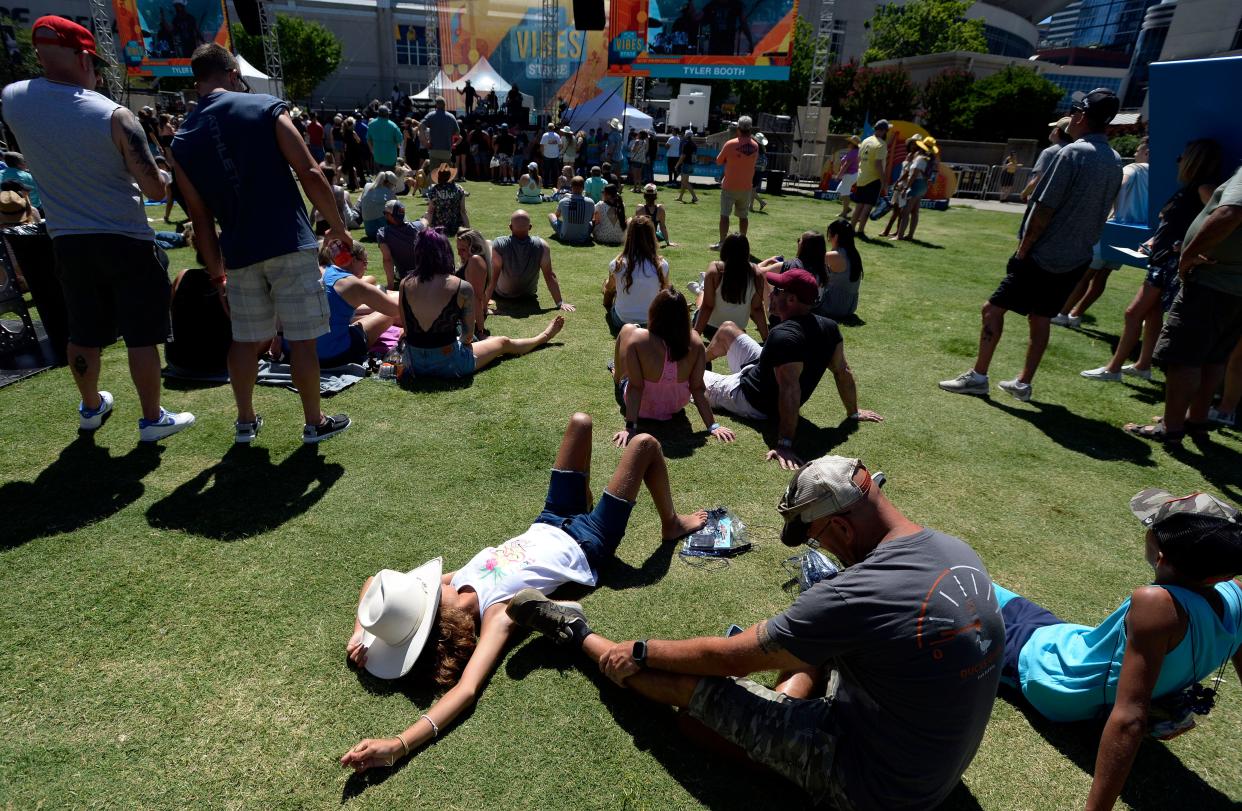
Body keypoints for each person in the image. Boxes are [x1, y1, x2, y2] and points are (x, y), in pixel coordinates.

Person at [507, 454, 1004, 811]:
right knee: (812, 648)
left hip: (875, 787)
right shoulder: (957, 551)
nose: (824, 551)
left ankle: (574, 633)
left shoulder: (855, 594)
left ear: (843, 529)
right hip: (933, 768)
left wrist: (642, 648)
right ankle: (782, 708)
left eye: (817, 538)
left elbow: (730, 659)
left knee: (699, 701)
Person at [339, 411, 707, 772]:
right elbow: (466, 691)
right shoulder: (498, 614)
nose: (425, 584)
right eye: (427, 596)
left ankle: (585, 499)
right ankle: (670, 523)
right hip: (589, 542)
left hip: (549, 518)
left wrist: (361, 633)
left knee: (580, 422)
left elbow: (374, 583)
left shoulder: (448, 586)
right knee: (644, 444)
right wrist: (399, 745)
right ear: (444, 617)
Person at [2, 15, 195, 441]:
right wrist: (162, 178)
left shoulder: (14, 99)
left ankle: (91, 407)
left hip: (68, 239)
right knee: (142, 335)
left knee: (82, 331)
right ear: (85, 57)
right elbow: (154, 189)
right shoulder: (113, 114)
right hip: (125, 237)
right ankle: (151, 419)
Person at [996, 487, 1242, 809]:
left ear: (1160, 556)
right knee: (1007, 603)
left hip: (1052, 676)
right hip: (1066, 643)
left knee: (968, 596)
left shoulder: (1158, 604)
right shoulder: (1236, 594)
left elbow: (1130, 717)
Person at [171, 43, 352, 445]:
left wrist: (217, 276)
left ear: (197, 82)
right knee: (302, 338)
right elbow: (308, 169)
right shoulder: (265, 107)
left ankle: (246, 420)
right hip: (288, 238)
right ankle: (314, 422)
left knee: (244, 340)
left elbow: (200, 219)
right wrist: (338, 226)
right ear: (233, 71)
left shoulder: (182, 139)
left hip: (238, 252)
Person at [939, 88, 1122, 403]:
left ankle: (978, 376)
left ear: (1079, 116)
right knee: (1041, 318)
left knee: (992, 309)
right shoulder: (1115, 160)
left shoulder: (1072, 153)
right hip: (1077, 257)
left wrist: (1022, 251)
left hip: (1043, 255)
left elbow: (1043, 209)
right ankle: (1023, 382)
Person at [704, 267, 882, 467]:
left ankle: (697, 367)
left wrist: (785, 443)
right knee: (728, 329)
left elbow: (790, 389)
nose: (770, 294)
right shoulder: (829, 327)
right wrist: (853, 411)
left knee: (692, 377)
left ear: (791, 300)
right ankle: (701, 359)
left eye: (777, 291)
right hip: (759, 371)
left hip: (749, 398)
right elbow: (842, 371)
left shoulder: (783, 337)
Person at [1080, 139, 1220, 383]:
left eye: (1182, 157)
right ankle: (1143, 365)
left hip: (1170, 264)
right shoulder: (1188, 188)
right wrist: (1157, 240)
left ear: (1194, 161)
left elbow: (1220, 223)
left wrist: (1187, 246)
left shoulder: (1203, 189)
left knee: (1133, 313)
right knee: (1151, 314)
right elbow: (1175, 224)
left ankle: (1113, 369)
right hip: (1161, 259)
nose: (1177, 161)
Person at [1125, 163, 1242, 442]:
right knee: (1213, 357)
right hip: (1234, 287)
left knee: (1183, 357)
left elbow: (1231, 212)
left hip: (1212, 283)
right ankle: (1195, 420)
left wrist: (1188, 255)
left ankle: (1172, 426)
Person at [397, 229, 565, 379]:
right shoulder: (461, 287)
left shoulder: (405, 283)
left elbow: (407, 329)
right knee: (502, 342)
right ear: (445, 252)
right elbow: (468, 336)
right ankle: (543, 337)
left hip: (413, 363)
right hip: (449, 364)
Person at [612, 289, 735, 444]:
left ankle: (618, 377)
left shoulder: (638, 339)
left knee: (627, 329)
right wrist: (712, 425)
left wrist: (630, 427)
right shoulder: (696, 341)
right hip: (674, 406)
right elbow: (697, 388)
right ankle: (619, 376)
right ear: (684, 316)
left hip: (642, 406)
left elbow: (636, 388)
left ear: (654, 312)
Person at [1054, 136, 1151, 328]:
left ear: (1147, 152)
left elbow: (1119, 185)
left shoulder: (1132, 168)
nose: (1134, 153)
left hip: (1113, 227)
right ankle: (1076, 314)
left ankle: (1063, 314)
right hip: (1133, 233)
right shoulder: (1159, 176)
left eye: (1138, 150)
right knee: (1102, 276)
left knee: (1086, 274)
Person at [311, 241, 400, 368]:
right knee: (388, 315)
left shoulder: (317, 271)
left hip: (300, 352)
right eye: (364, 263)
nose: (366, 267)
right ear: (352, 260)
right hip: (333, 355)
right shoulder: (352, 284)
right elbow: (394, 310)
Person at [164, 227, 231, 377]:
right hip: (220, 363)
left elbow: (170, 313)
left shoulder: (182, 276)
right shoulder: (233, 283)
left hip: (177, 363)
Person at [487, 209, 574, 312]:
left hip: (504, 293)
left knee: (487, 243)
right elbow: (550, 275)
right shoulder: (542, 245)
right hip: (528, 294)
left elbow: (493, 277)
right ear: (530, 227)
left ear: (510, 227)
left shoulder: (499, 244)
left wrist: (483, 304)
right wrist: (560, 302)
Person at [692, 232, 767, 341]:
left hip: (710, 329)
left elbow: (707, 307)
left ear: (725, 249)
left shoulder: (715, 269)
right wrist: (766, 339)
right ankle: (701, 289)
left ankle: (701, 289)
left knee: (701, 302)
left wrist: (695, 336)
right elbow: (757, 309)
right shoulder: (757, 274)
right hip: (737, 332)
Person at [603, 215, 669, 336]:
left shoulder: (617, 264)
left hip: (622, 322)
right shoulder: (662, 265)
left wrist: (607, 305)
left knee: (607, 284)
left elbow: (609, 291)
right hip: (651, 323)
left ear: (629, 236)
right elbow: (665, 294)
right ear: (652, 237)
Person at [712, 116, 759, 249]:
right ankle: (743, 245)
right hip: (746, 186)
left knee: (724, 215)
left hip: (730, 186)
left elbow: (718, 161)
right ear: (750, 129)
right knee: (743, 216)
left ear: (738, 129)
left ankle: (722, 242)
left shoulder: (730, 144)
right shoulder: (755, 146)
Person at [818, 219, 865, 320]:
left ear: (836, 236)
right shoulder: (854, 254)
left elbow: (806, 264)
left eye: (829, 235)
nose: (828, 239)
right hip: (849, 306)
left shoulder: (835, 255)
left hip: (832, 306)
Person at [850, 121, 890, 237]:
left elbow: (859, 159)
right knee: (867, 206)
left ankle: (851, 229)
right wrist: (884, 181)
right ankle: (861, 231)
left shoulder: (865, 141)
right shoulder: (881, 144)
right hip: (873, 179)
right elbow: (878, 164)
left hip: (862, 177)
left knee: (859, 205)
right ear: (883, 131)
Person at [1021, 117, 1071, 204]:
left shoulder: (1049, 152)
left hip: (1041, 202)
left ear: (1057, 131)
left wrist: (1024, 193)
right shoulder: (1076, 152)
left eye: (1054, 128)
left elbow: (1038, 179)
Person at [377, 199, 424, 290]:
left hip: (405, 277)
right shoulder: (418, 226)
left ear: (389, 215)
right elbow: (425, 222)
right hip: (425, 273)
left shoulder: (383, 233)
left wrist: (390, 286)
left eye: (385, 213)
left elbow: (387, 260)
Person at [454, 227, 492, 334]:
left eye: (463, 250)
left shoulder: (475, 261)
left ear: (474, 248)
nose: (458, 253)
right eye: (458, 249)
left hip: (460, 321)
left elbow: (476, 297)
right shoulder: (473, 261)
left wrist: (480, 331)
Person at [423, 163, 469, 237]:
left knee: (425, 214)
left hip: (438, 228)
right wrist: (468, 230)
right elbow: (463, 211)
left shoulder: (434, 190)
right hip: (456, 228)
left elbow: (430, 212)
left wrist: (426, 230)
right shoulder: (459, 189)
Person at [311, 166, 358, 236]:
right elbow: (341, 210)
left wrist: (310, 227)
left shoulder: (318, 190)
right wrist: (345, 228)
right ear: (333, 176)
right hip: (336, 223)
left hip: (321, 223)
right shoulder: (339, 190)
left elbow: (313, 212)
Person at [548, 175, 594, 245]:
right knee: (592, 222)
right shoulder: (590, 202)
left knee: (551, 215)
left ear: (571, 187)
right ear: (583, 188)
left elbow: (557, 216)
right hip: (584, 237)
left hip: (565, 236)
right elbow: (591, 219)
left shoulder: (563, 201)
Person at [358, 171, 402, 240]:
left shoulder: (367, 186)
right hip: (382, 231)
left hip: (369, 231)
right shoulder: (389, 193)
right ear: (388, 183)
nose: (394, 187)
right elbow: (400, 208)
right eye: (394, 185)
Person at [419, 97, 459, 168]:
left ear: (436, 105)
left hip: (434, 150)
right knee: (446, 175)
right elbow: (457, 134)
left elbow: (421, 126)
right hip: (446, 151)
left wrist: (425, 141)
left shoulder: (431, 115)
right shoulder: (451, 117)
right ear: (445, 105)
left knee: (434, 175)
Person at [366, 105, 403, 172]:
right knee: (389, 180)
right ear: (387, 114)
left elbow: (368, 139)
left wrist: (372, 150)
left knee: (378, 180)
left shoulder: (371, 124)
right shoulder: (393, 126)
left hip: (377, 157)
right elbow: (399, 140)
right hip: (390, 159)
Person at [637, 182, 675, 247]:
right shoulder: (660, 209)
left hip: (642, 239)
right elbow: (663, 226)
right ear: (656, 195)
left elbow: (637, 228)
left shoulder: (640, 209)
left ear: (644, 195)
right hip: (654, 238)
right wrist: (668, 242)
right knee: (658, 228)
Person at [834, 135, 861, 219]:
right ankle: (847, 209)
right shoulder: (856, 152)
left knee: (844, 193)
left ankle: (844, 213)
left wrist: (839, 175)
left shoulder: (853, 152)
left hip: (850, 175)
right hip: (851, 175)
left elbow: (846, 165)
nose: (847, 143)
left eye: (849, 142)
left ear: (853, 144)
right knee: (840, 191)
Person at [340, 117, 369, 191]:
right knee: (360, 169)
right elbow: (359, 140)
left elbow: (345, 145)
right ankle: (363, 183)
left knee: (350, 171)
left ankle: (352, 185)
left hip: (348, 153)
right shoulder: (353, 133)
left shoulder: (344, 133)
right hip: (355, 152)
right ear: (351, 125)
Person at [676, 129, 699, 203]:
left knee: (684, 182)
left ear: (686, 135)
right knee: (684, 182)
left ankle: (695, 197)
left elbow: (683, 156)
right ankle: (680, 197)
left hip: (686, 164)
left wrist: (677, 165)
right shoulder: (694, 144)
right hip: (691, 164)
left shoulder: (686, 144)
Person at [749, 132, 768, 213]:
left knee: (751, 190)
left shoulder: (756, 149)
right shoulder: (762, 149)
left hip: (755, 171)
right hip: (759, 172)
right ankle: (753, 206)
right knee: (752, 190)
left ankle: (759, 203)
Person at [539, 123, 562, 188]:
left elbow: (541, 145)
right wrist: (557, 151)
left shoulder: (545, 135)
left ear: (548, 128)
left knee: (546, 171)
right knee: (555, 171)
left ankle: (545, 184)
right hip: (555, 155)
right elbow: (560, 145)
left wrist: (542, 153)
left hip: (547, 155)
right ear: (554, 128)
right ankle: (555, 184)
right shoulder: (557, 135)